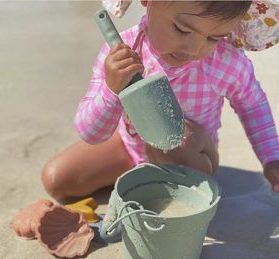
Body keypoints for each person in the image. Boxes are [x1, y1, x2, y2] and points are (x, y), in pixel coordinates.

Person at [42, 1, 279, 202]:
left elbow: (252, 105)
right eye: (182, 30)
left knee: (173, 137)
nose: (194, 48)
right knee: (57, 179)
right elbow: (90, 134)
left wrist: (271, 157)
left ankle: (176, 195)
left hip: (191, 155)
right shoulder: (120, 54)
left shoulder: (226, 63)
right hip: (129, 147)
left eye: (213, 38)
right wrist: (111, 90)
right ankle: (142, 178)